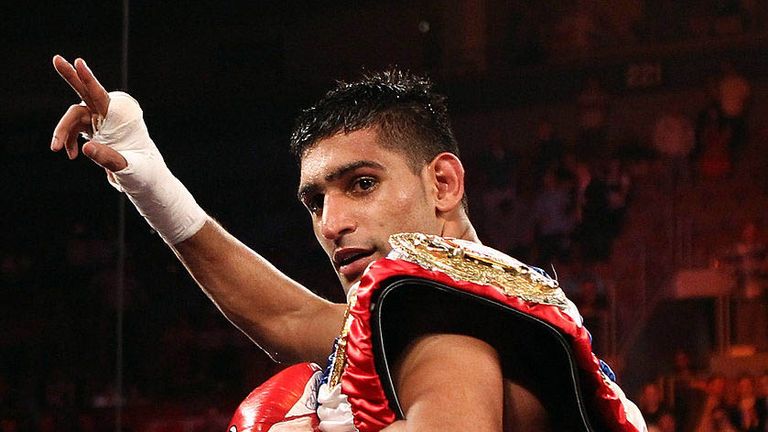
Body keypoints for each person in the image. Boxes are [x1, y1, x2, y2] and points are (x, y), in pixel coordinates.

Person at [49, 56, 645, 431]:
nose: (332, 223)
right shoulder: (482, 294)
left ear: (442, 182)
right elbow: (285, 313)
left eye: (362, 184)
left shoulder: (443, 315)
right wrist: (149, 178)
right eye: (315, 201)